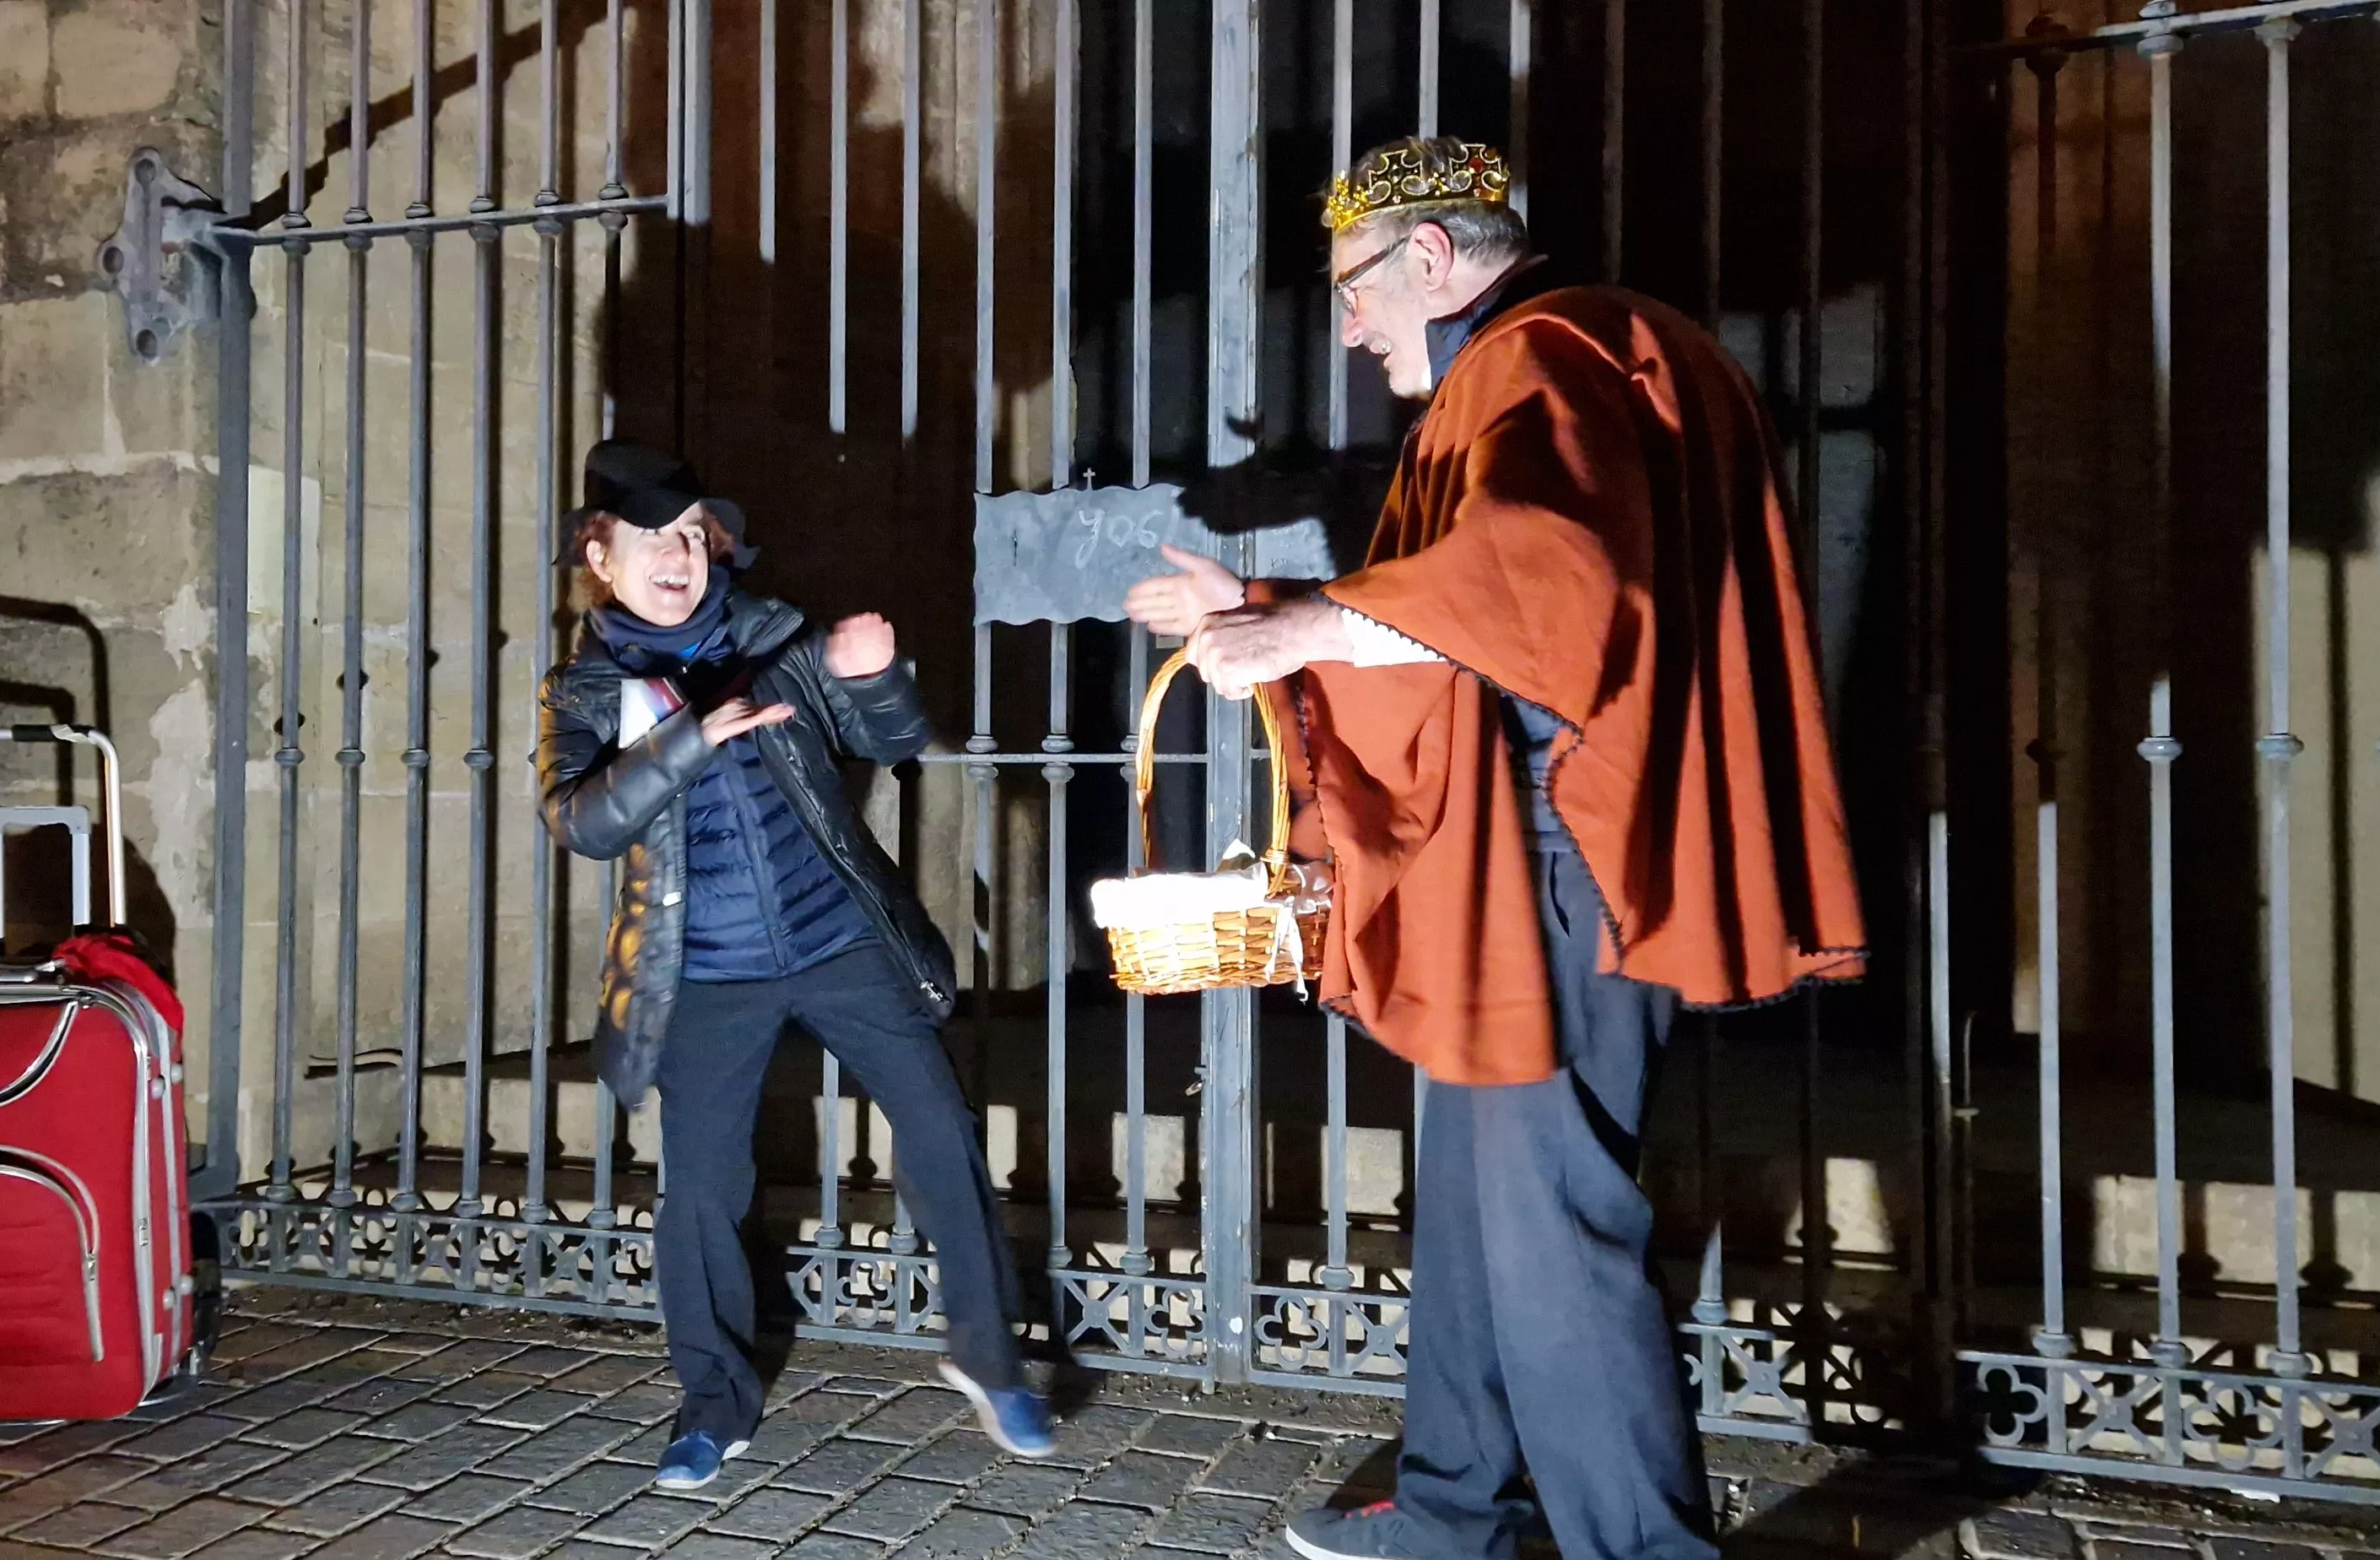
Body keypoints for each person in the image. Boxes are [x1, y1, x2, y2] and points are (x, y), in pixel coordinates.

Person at [1127, 139, 1865, 1560]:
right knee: (1476, 1204)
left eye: (1353, 289)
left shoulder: (1541, 354)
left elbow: (1550, 583)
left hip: (1563, 857)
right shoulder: (1603, 345)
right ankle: (1454, 1502)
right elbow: (1492, 611)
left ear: (1430, 260)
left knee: (1553, 1225)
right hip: (1548, 847)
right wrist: (1281, 600)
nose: (1345, 326)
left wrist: (1300, 630)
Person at [538, 439, 1057, 1489]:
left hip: (835, 937)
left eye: (692, 536)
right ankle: (712, 1403)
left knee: (940, 1127)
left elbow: (894, 736)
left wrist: (875, 677)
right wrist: (692, 737)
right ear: (603, 559)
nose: (677, 555)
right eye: (651, 540)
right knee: (701, 1189)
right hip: (706, 968)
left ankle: (989, 1357)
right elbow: (579, 822)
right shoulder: (584, 690)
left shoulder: (774, 640)